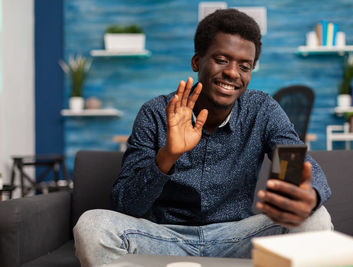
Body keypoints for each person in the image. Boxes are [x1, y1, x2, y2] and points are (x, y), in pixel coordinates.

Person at [73, 8, 332, 267]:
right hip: (166, 238)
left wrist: (305, 193)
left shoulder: (262, 110)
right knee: (92, 225)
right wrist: (167, 156)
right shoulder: (154, 113)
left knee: (315, 218)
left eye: (244, 66)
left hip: (237, 237)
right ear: (197, 61)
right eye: (221, 59)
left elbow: (292, 159)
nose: (233, 73)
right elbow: (125, 205)